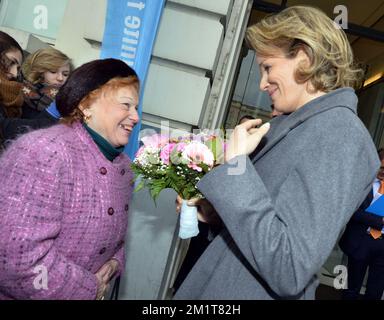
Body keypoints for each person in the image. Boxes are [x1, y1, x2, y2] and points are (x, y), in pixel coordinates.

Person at [174, 5, 379, 300]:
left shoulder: (339, 135)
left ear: (304, 57)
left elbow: (290, 267)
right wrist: (213, 212)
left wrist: (236, 166)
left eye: (267, 67)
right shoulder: (302, 125)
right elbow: (270, 224)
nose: (261, 83)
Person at [0, 58, 139, 299]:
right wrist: (89, 288)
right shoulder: (44, 152)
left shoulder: (124, 168)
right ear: (86, 105)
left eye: (136, 108)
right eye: (126, 105)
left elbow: (115, 240)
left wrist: (115, 264)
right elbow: (16, 261)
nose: (135, 117)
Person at [339, 148, 384, 300]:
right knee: (351, 289)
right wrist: (379, 221)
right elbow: (351, 211)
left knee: (375, 292)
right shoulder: (362, 183)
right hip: (360, 241)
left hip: (382, 246)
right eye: (382, 167)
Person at [0, 32, 56, 150]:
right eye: (12, 62)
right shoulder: (22, 91)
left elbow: (28, 120)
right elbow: (5, 127)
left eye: (18, 68)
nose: (14, 73)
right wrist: (57, 120)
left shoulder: (14, 92)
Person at [21, 47, 71, 119]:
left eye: (65, 74)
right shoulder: (18, 95)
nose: (60, 78)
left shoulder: (69, 102)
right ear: (39, 71)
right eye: (53, 71)